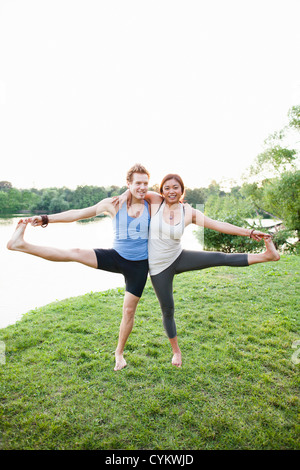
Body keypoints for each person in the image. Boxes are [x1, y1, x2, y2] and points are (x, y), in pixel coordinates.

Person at [7, 164, 151, 371]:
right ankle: (20, 244)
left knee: (128, 311)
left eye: (145, 183)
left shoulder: (151, 202)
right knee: (74, 252)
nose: (142, 187)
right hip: (116, 256)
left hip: (139, 266)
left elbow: (172, 196)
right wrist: (47, 218)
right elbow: (78, 214)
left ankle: (119, 353)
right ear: (128, 183)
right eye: (138, 183)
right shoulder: (112, 204)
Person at [144, 174, 280, 367]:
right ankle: (176, 351)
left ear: (182, 190)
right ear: (161, 191)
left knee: (219, 257)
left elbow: (219, 225)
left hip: (179, 257)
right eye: (166, 188)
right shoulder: (154, 202)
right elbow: (133, 191)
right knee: (168, 309)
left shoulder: (188, 212)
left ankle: (267, 256)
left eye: (175, 187)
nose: (171, 191)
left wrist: (249, 232)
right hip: (158, 267)